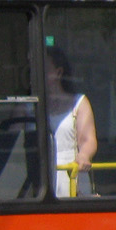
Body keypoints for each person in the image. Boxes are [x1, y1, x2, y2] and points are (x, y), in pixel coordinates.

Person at [45, 46, 97, 198]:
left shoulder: (79, 103)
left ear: (58, 72)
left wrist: (84, 156)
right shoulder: (26, 106)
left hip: (71, 173)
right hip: (39, 178)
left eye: (44, 68)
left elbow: (88, 139)